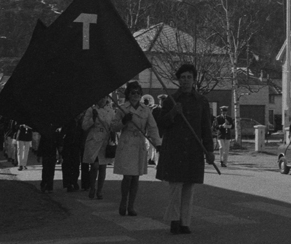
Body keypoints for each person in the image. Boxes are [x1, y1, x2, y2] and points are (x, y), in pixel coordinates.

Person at [156, 63, 215, 234]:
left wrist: (209, 150)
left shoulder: (202, 101)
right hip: (175, 148)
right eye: (183, 77)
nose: (186, 81)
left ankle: (185, 222)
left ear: (194, 80)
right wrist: (173, 112)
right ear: (178, 80)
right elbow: (162, 124)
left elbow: (206, 127)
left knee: (189, 187)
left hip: (193, 149)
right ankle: (174, 220)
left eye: (189, 77)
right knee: (176, 186)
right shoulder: (170, 100)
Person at [113, 81, 161, 217]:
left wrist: (157, 144)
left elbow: (152, 127)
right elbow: (114, 127)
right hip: (127, 142)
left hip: (139, 143)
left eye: (138, 93)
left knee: (135, 177)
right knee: (127, 176)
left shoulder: (146, 110)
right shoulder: (122, 109)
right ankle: (123, 201)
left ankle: (131, 205)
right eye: (133, 93)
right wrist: (124, 121)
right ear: (128, 94)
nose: (135, 95)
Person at [81, 97, 117, 200]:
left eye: (103, 98)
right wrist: (93, 119)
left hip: (105, 140)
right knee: (95, 165)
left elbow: (113, 124)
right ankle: (93, 187)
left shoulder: (110, 110)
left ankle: (100, 190)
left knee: (103, 167)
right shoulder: (91, 110)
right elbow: (84, 126)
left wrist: (113, 132)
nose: (101, 100)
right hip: (94, 139)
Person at [38, 127, 60, 194]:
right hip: (50, 153)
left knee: (46, 169)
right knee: (50, 170)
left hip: (47, 153)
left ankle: (45, 185)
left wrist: (39, 155)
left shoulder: (45, 133)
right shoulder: (55, 133)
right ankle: (48, 186)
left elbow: (41, 144)